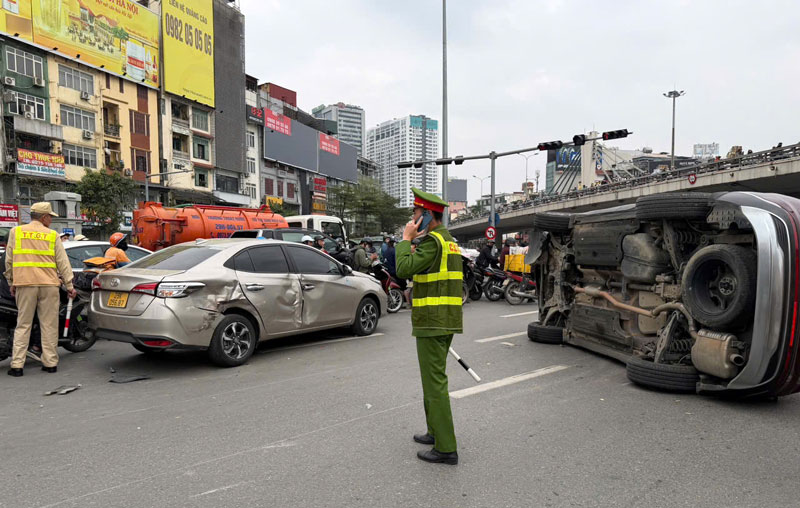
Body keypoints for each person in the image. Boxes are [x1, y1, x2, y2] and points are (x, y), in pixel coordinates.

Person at [396, 188, 463, 466]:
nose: (412, 219)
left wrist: (405, 240)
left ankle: (446, 448)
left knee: (435, 384)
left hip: (432, 322)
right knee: (431, 380)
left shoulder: (432, 242)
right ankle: (434, 432)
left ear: (427, 216)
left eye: (415, 214)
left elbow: (402, 268)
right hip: (443, 319)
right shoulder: (448, 242)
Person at [5, 202, 76, 377]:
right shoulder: (52, 236)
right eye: (50, 216)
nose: (51, 220)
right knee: (49, 325)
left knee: (23, 324)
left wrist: (11, 282)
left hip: (24, 284)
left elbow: (9, 260)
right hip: (49, 285)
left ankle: (17, 366)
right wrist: (69, 286)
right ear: (44, 217)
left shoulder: (16, 232)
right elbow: (63, 263)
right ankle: (50, 363)